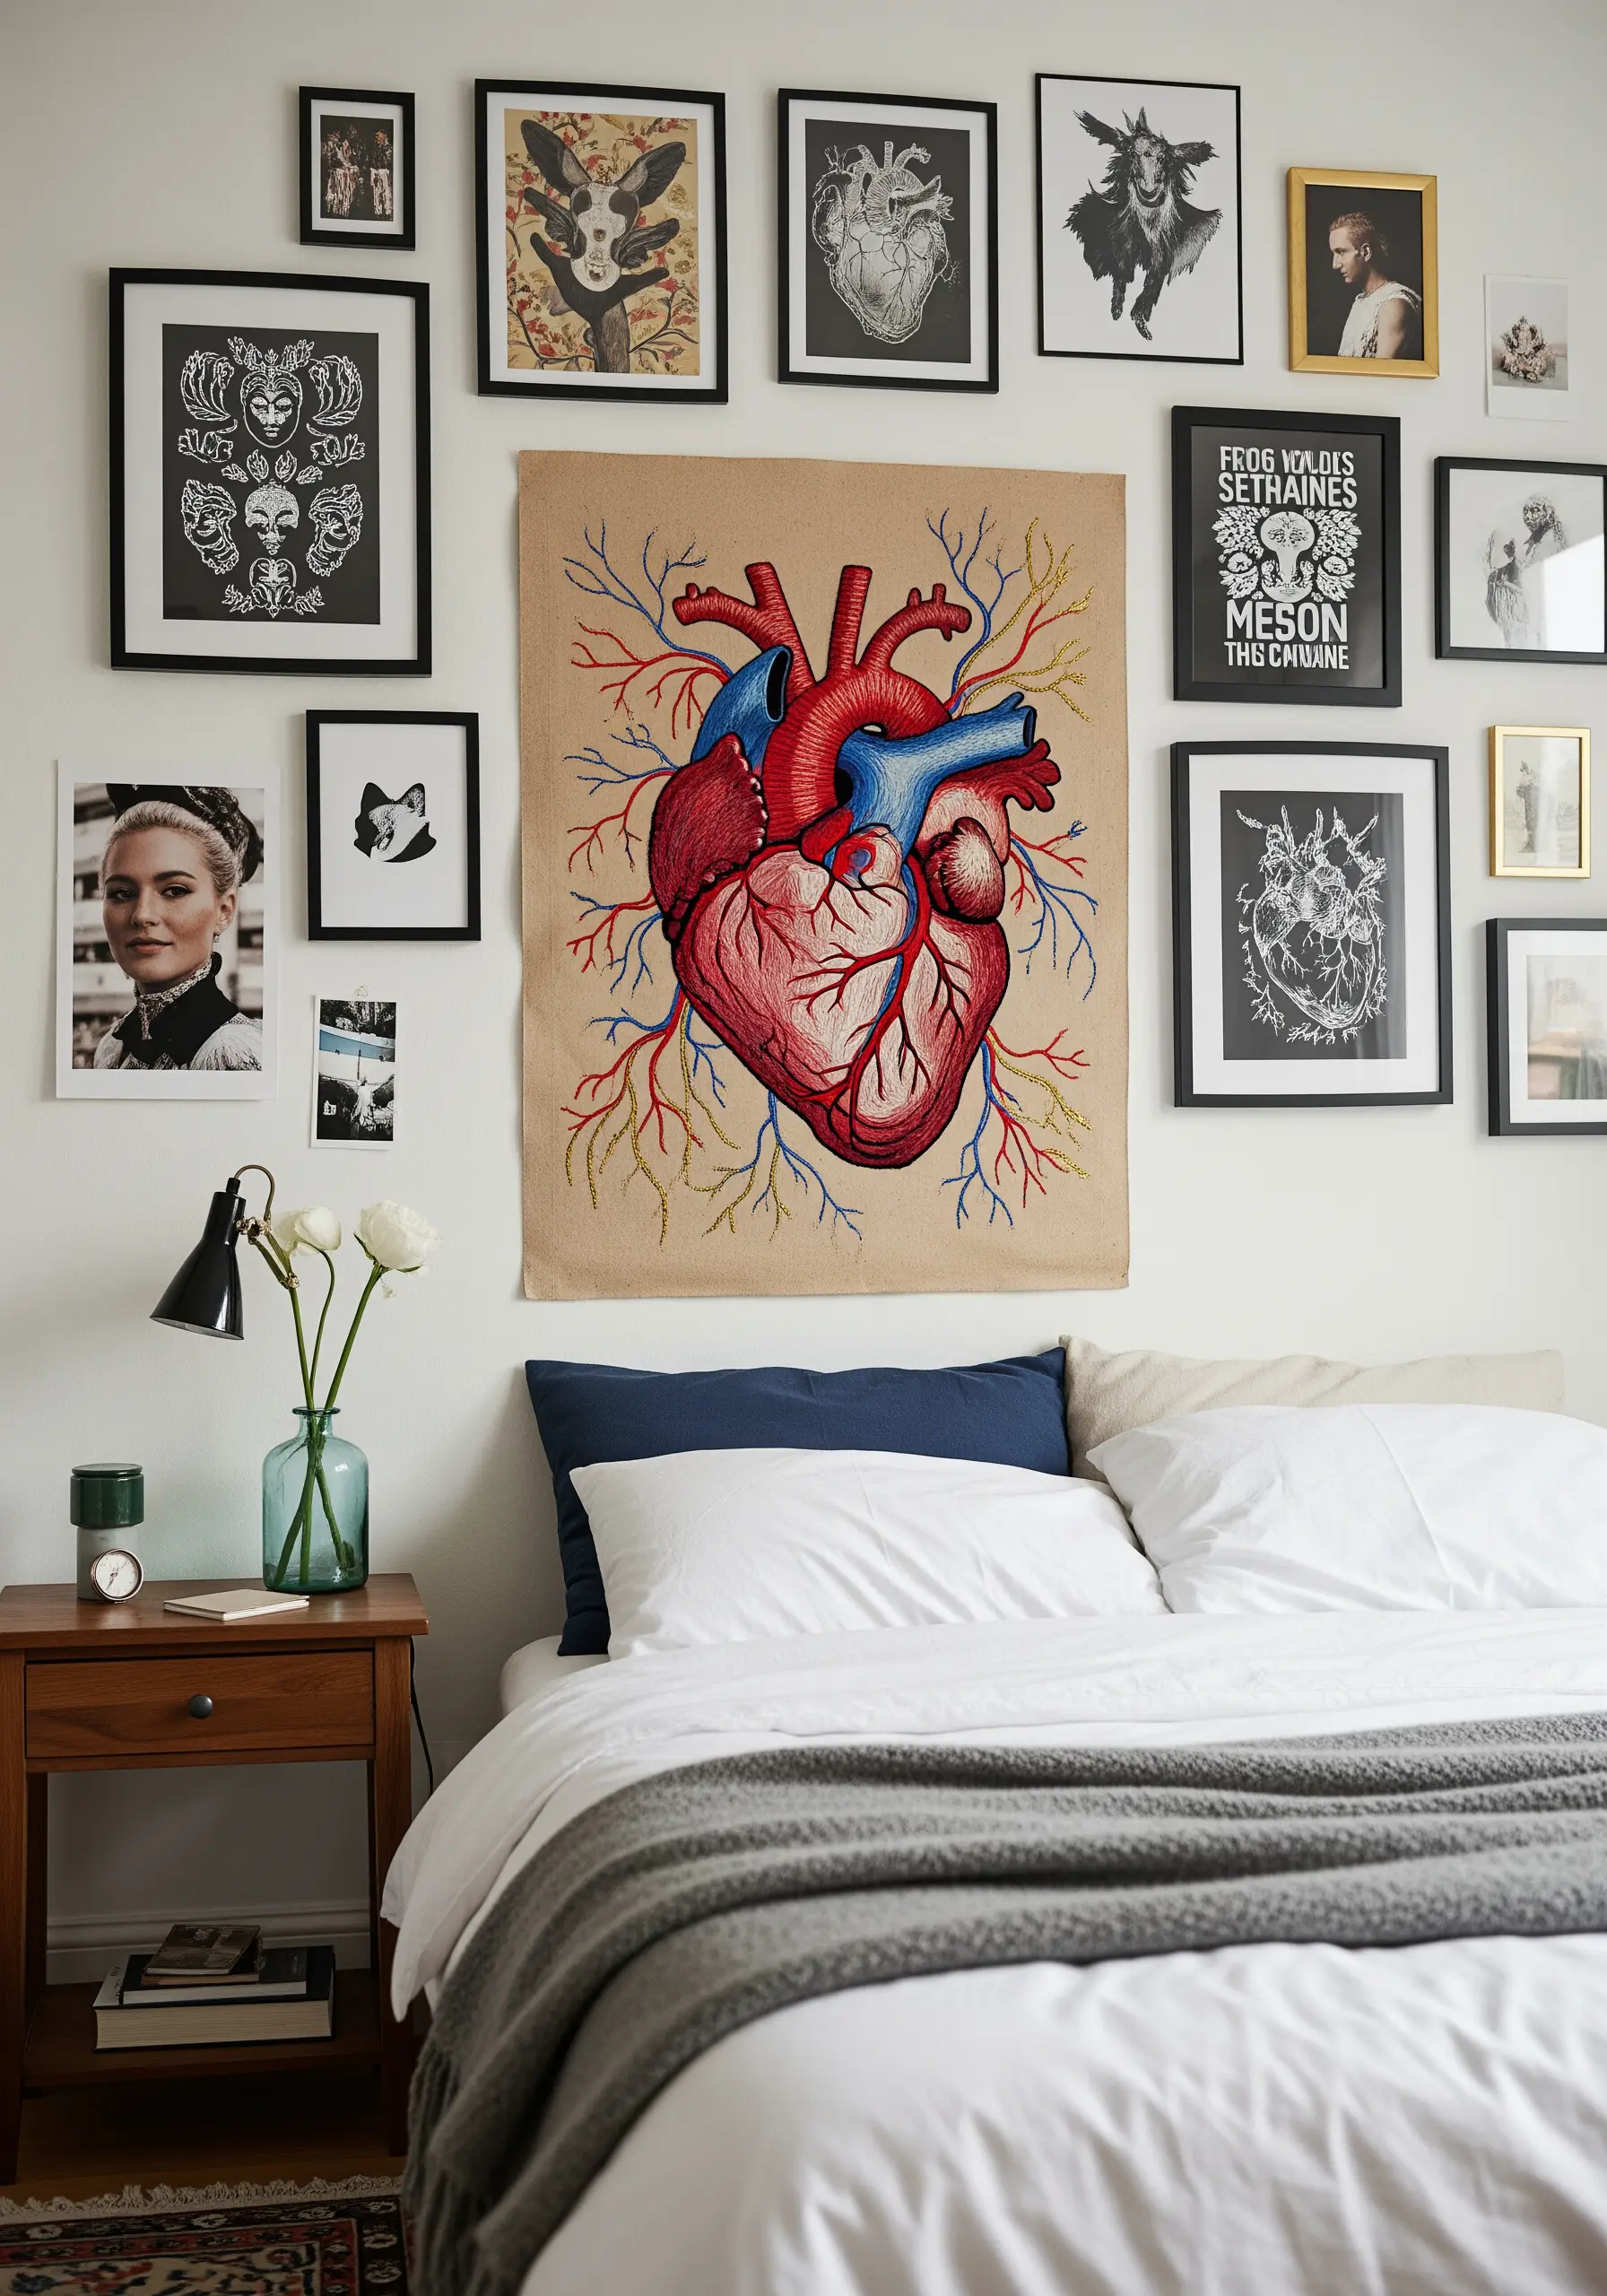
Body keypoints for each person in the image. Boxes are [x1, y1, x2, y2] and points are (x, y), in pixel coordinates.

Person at [91, 787, 263, 1072]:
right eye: (122, 893)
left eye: (174, 891)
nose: (142, 915)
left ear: (224, 910)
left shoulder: (232, 1052)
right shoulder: (112, 1046)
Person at [1327, 211, 1423, 361]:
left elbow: (1381, 377)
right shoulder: (1360, 302)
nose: (1335, 264)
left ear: (1365, 252)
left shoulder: (1394, 305)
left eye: (1341, 252)